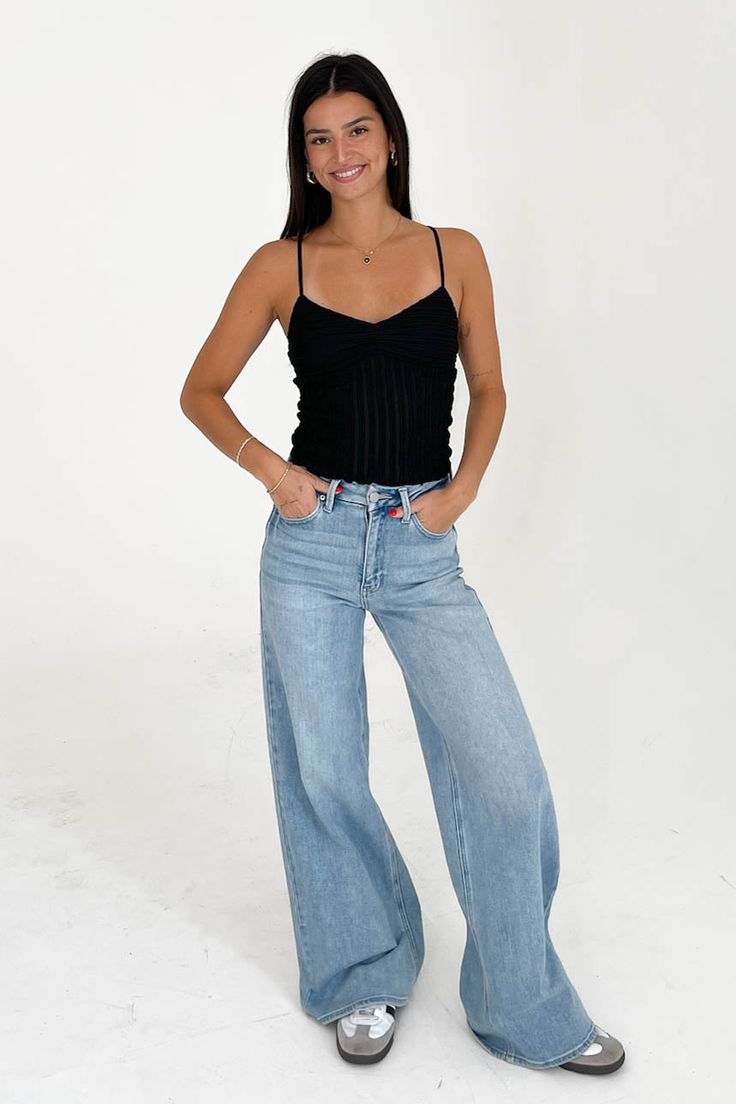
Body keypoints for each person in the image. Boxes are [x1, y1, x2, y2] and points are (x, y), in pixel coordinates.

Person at [180, 52, 625, 1076]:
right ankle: (361, 969)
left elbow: (493, 388)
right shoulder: (277, 266)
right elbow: (201, 390)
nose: (339, 154)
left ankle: (519, 1001)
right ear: (303, 156)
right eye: (318, 138)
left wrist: (460, 492)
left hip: (424, 548)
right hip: (313, 544)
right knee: (325, 769)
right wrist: (272, 473)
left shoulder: (453, 250)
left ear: (390, 137)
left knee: (505, 780)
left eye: (357, 130)